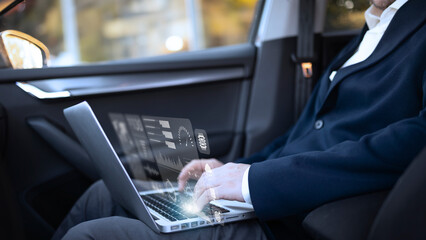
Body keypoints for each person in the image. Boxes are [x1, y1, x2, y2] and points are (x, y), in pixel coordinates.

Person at [52, 0, 426, 239]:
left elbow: (416, 139)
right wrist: (233, 168)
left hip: (301, 218)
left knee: (96, 235)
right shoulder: (371, 30)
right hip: (267, 200)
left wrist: (253, 183)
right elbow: (298, 136)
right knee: (101, 195)